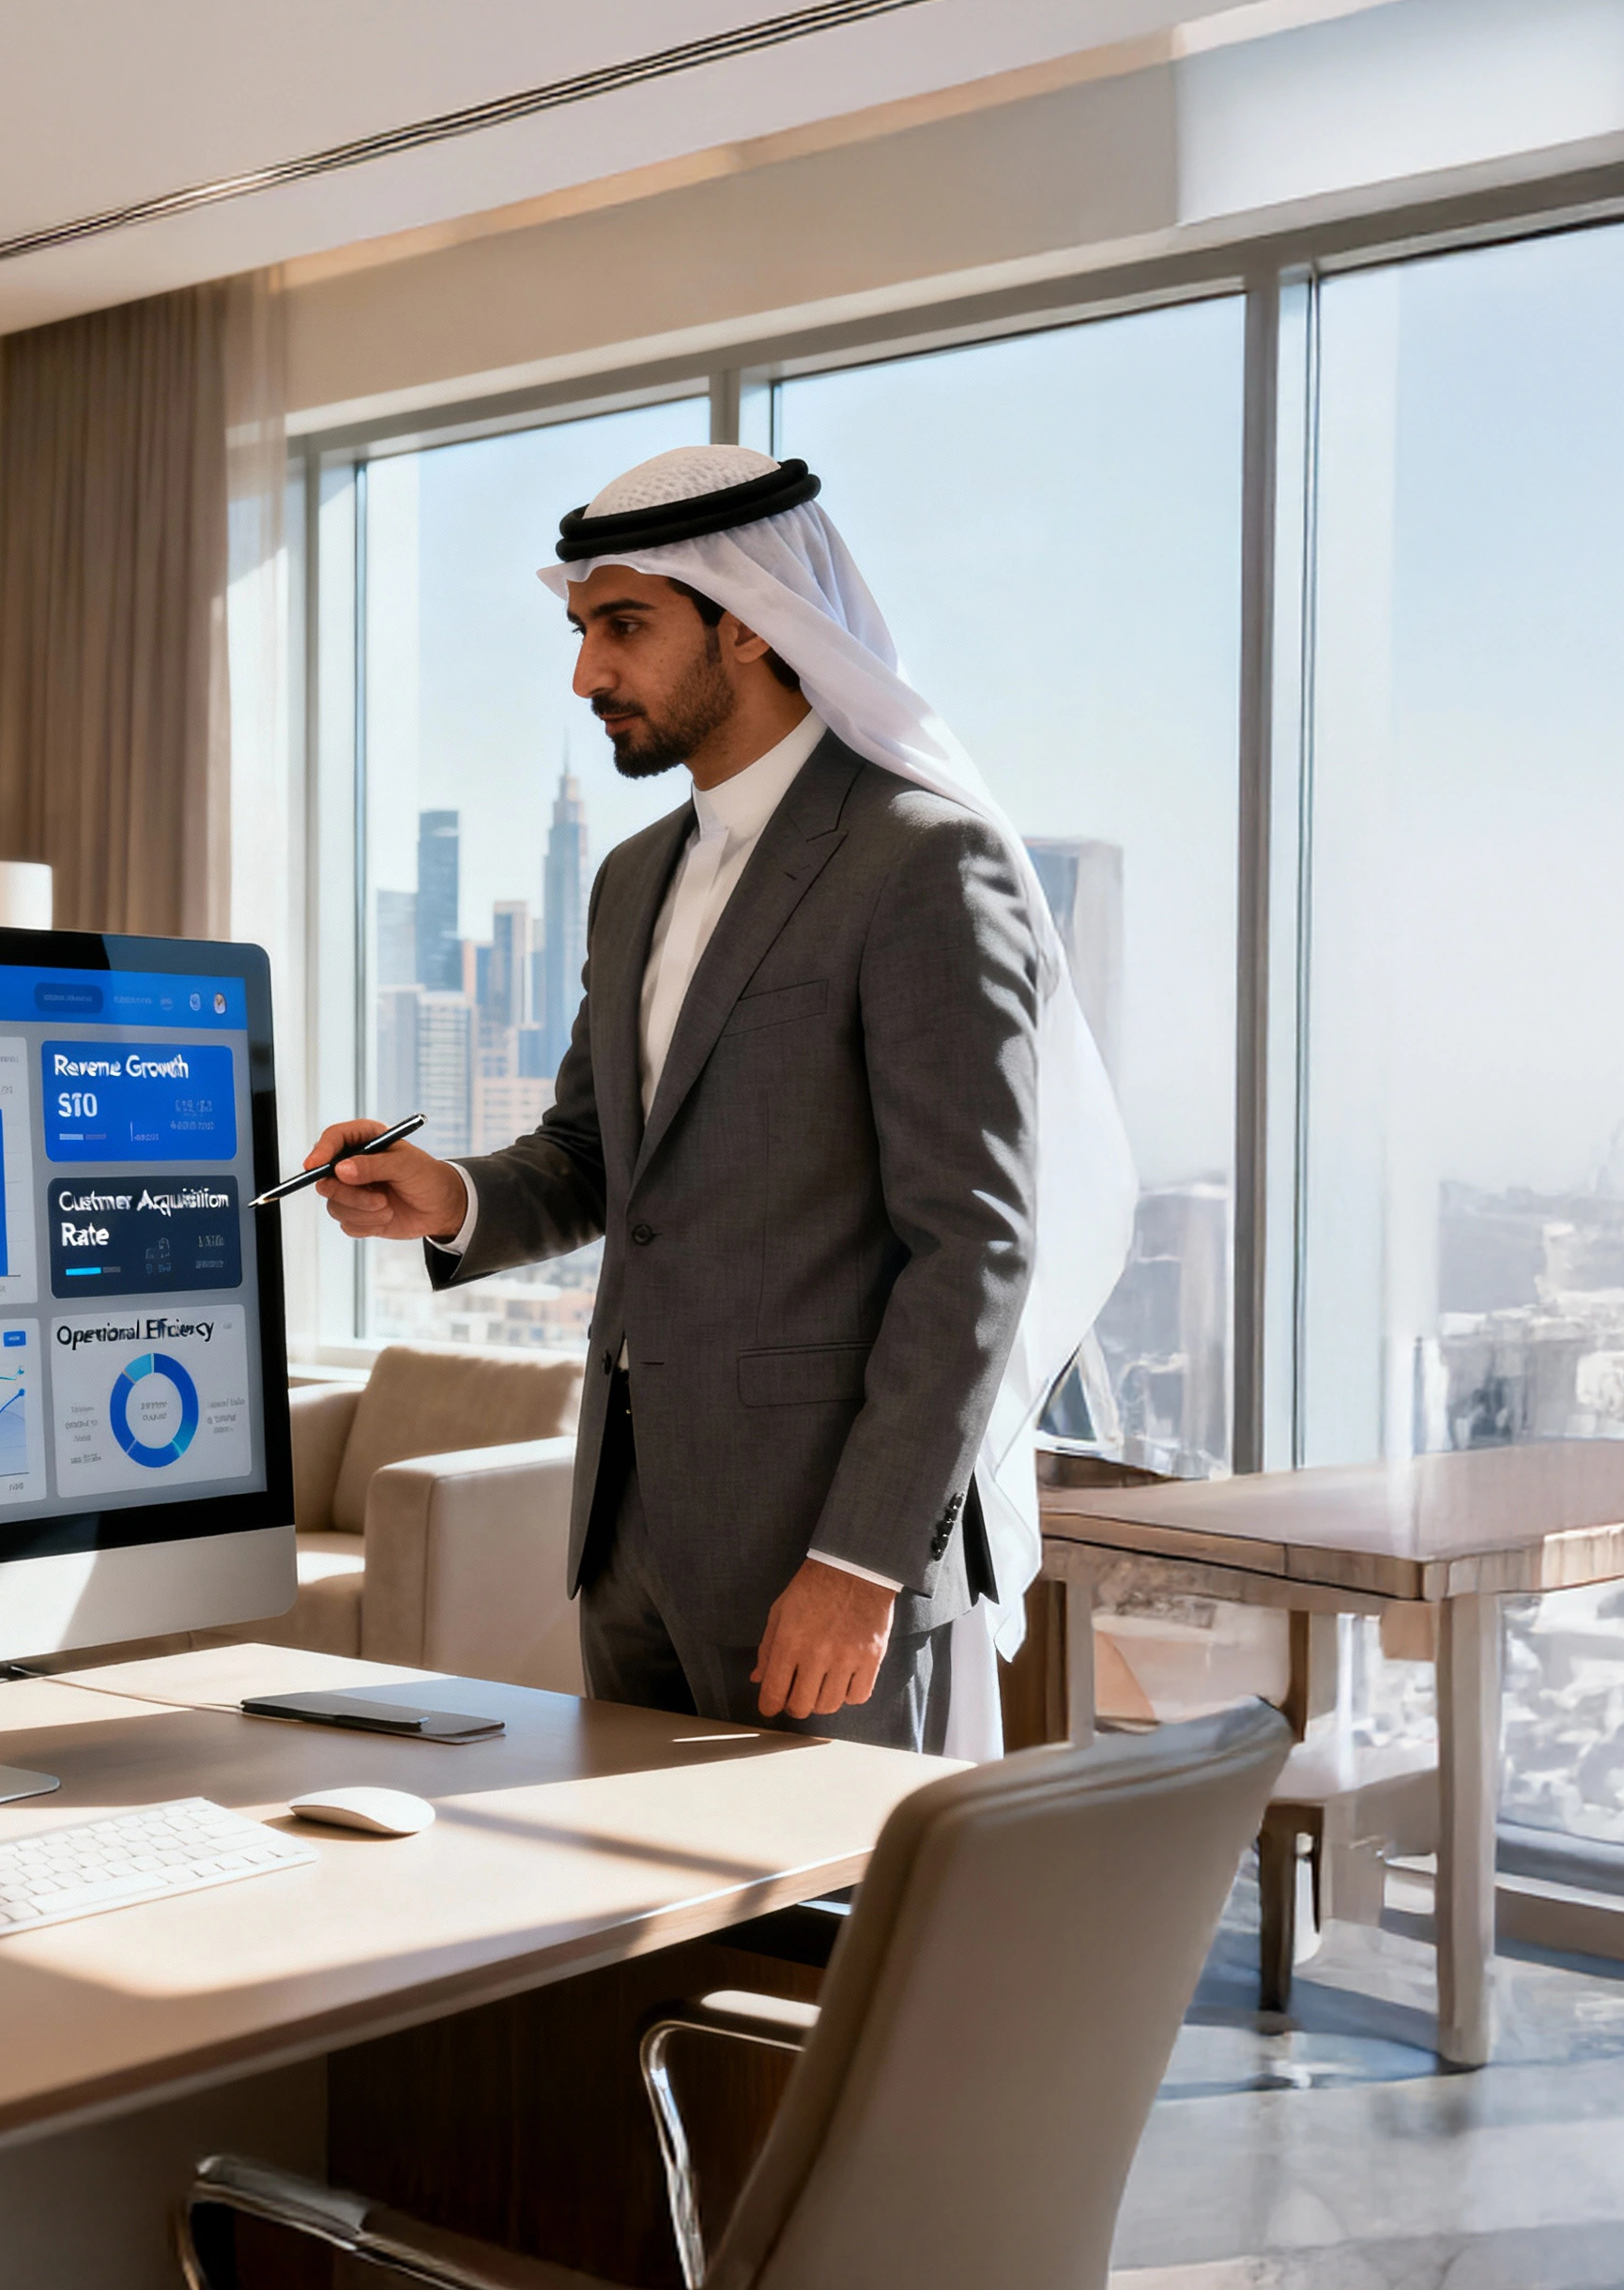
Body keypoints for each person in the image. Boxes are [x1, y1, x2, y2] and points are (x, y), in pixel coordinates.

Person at [307, 445, 1133, 1753]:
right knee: (645, 1935)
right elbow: (594, 1155)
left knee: (834, 1944)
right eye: (581, 632)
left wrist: (861, 1565)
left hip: (822, 1554)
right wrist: (452, 1196)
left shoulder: (921, 863)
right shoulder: (633, 877)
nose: (587, 675)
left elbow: (973, 1247)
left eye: (624, 628)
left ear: (752, 624)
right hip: (627, 1533)